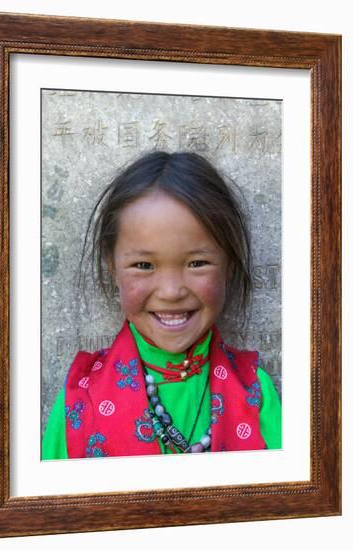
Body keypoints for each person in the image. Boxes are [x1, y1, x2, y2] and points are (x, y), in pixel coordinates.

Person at [42, 151, 281, 459]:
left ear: (229, 266)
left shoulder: (253, 393)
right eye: (143, 265)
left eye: (197, 263)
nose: (170, 292)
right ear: (111, 266)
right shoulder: (80, 398)